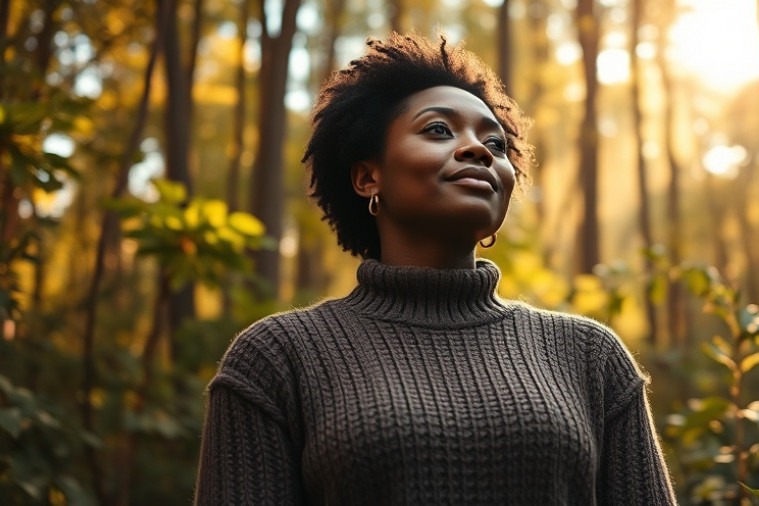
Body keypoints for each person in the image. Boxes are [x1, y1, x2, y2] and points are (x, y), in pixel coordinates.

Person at [194, 32, 677, 505]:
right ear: (368, 177)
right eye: (439, 130)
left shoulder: (591, 356)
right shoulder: (277, 359)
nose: (479, 150)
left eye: (497, 143)